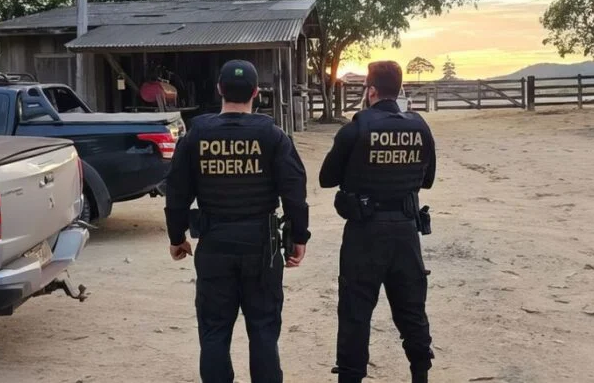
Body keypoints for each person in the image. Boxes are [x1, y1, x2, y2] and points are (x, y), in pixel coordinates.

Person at [164, 59, 310, 383]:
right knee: (263, 331)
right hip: (262, 246)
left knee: (214, 331)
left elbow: (176, 192)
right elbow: (295, 192)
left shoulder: (197, 134)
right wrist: (299, 237)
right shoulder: (273, 135)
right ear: (257, 93)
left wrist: (176, 238)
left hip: (214, 243)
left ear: (219, 89)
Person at [320, 61, 437, 383]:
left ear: (370, 91)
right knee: (412, 310)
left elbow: (326, 178)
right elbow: (426, 180)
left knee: (356, 314)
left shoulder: (356, 128)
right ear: (398, 90)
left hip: (364, 233)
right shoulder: (419, 126)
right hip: (405, 230)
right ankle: (420, 374)